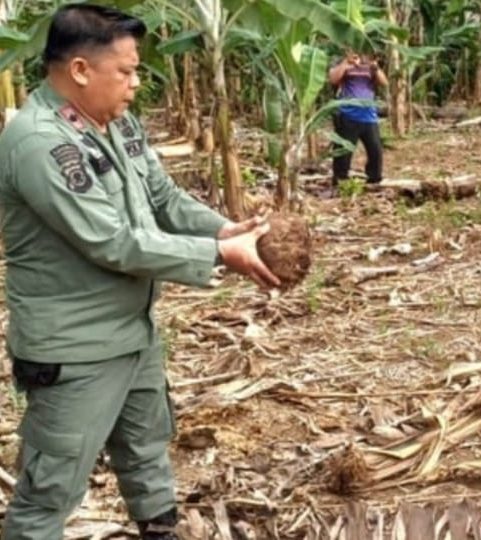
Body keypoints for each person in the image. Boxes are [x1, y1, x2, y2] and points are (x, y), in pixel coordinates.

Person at [0, 5, 280, 539]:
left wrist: (223, 229)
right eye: (125, 72)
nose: (134, 84)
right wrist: (221, 256)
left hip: (134, 332)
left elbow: (162, 198)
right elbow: (111, 241)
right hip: (76, 350)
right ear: (80, 70)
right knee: (48, 494)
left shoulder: (116, 123)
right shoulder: (41, 144)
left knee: (148, 453)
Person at [327, 48, 388, 188]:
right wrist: (346, 63)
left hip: (369, 116)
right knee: (343, 151)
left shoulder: (371, 63)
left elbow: (384, 83)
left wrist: (375, 68)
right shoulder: (343, 61)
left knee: (375, 151)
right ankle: (340, 181)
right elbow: (333, 78)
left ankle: (374, 179)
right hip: (348, 114)